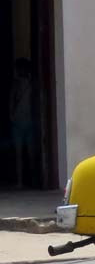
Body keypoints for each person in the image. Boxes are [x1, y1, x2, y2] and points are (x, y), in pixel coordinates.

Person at [9, 58, 34, 188]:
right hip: (21, 121)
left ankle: (28, 180)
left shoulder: (28, 83)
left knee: (27, 154)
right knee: (22, 154)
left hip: (24, 121)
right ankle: (22, 181)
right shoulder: (19, 83)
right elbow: (12, 100)